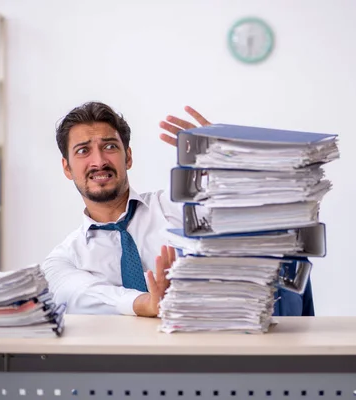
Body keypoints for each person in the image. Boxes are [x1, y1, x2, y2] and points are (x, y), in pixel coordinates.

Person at [41, 101, 314, 317]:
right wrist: (145, 303)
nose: (99, 161)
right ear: (67, 168)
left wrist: (232, 161)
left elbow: (263, 214)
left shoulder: (178, 208)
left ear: (129, 156)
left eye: (110, 146)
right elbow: (79, 293)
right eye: (83, 151)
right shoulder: (65, 258)